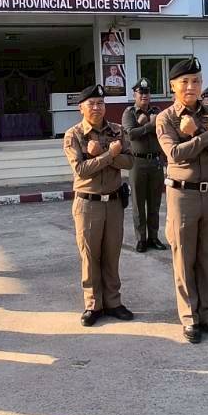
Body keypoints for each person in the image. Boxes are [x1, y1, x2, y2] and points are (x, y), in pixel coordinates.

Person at [156, 57, 208, 343]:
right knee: (184, 257)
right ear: (173, 86)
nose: (191, 86)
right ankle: (189, 317)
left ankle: (207, 315)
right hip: (182, 195)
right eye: (185, 82)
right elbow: (175, 154)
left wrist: (199, 132)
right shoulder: (166, 118)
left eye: (196, 81)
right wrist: (207, 136)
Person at [63, 84, 134, 326]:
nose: (97, 107)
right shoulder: (74, 135)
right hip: (88, 204)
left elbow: (129, 162)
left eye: (100, 103)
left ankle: (113, 302)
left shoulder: (117, 130)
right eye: (91, 104)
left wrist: (102, 152)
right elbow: (81, 170)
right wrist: (109, 155)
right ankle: (93, 304)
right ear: (81, 108)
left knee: (112, 254)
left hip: (113, 202)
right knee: (90, 256)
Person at [122, 79, 166, 253]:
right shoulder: (129, 113)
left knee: (155, 203)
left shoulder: (157, 111)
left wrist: (147, 126)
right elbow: (130, 135)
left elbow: (163, 131)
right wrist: (149, 125)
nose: (144, 96)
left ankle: (153, 237)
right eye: (141, 93)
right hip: (137, 162)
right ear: (135, 95)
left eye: (147, 93)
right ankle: (141, 239)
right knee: (138, 203)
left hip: (155, 161)